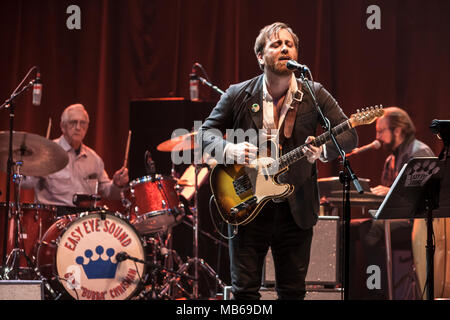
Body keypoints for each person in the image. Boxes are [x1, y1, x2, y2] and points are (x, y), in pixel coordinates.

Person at [198, 22, 358, 300]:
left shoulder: (314, 93)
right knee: (244, 292)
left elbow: (348, 136)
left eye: (290, 44)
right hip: (247, 204)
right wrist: (230, 150)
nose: (285, 48)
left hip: (296, 210)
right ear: (260, 57)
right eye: (276, 44)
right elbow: (204, 135)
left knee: (293, 292)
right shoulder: (239, 93)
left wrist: (322, 152)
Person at [354, 106, 434, 299]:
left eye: (381, 131)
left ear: (397, 130)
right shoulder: (391, 159)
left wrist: (389, 191)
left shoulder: (419, 152)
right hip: (400, 219)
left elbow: (427, 195)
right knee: (353, 228)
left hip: (418, 224)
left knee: (371, 229)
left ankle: (377, 291)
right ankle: (357, 289)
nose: (378, 137)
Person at [22, 103, 129, 214]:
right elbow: (25, 184)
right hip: (54, 218)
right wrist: (36, 170)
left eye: (82, 123)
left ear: (87, 127)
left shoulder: (94, 159)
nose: (78, 127)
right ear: (62, 126)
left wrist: (117, 184)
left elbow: (109, 192)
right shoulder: (47, 152)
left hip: (84, 221)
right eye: (73, 122)